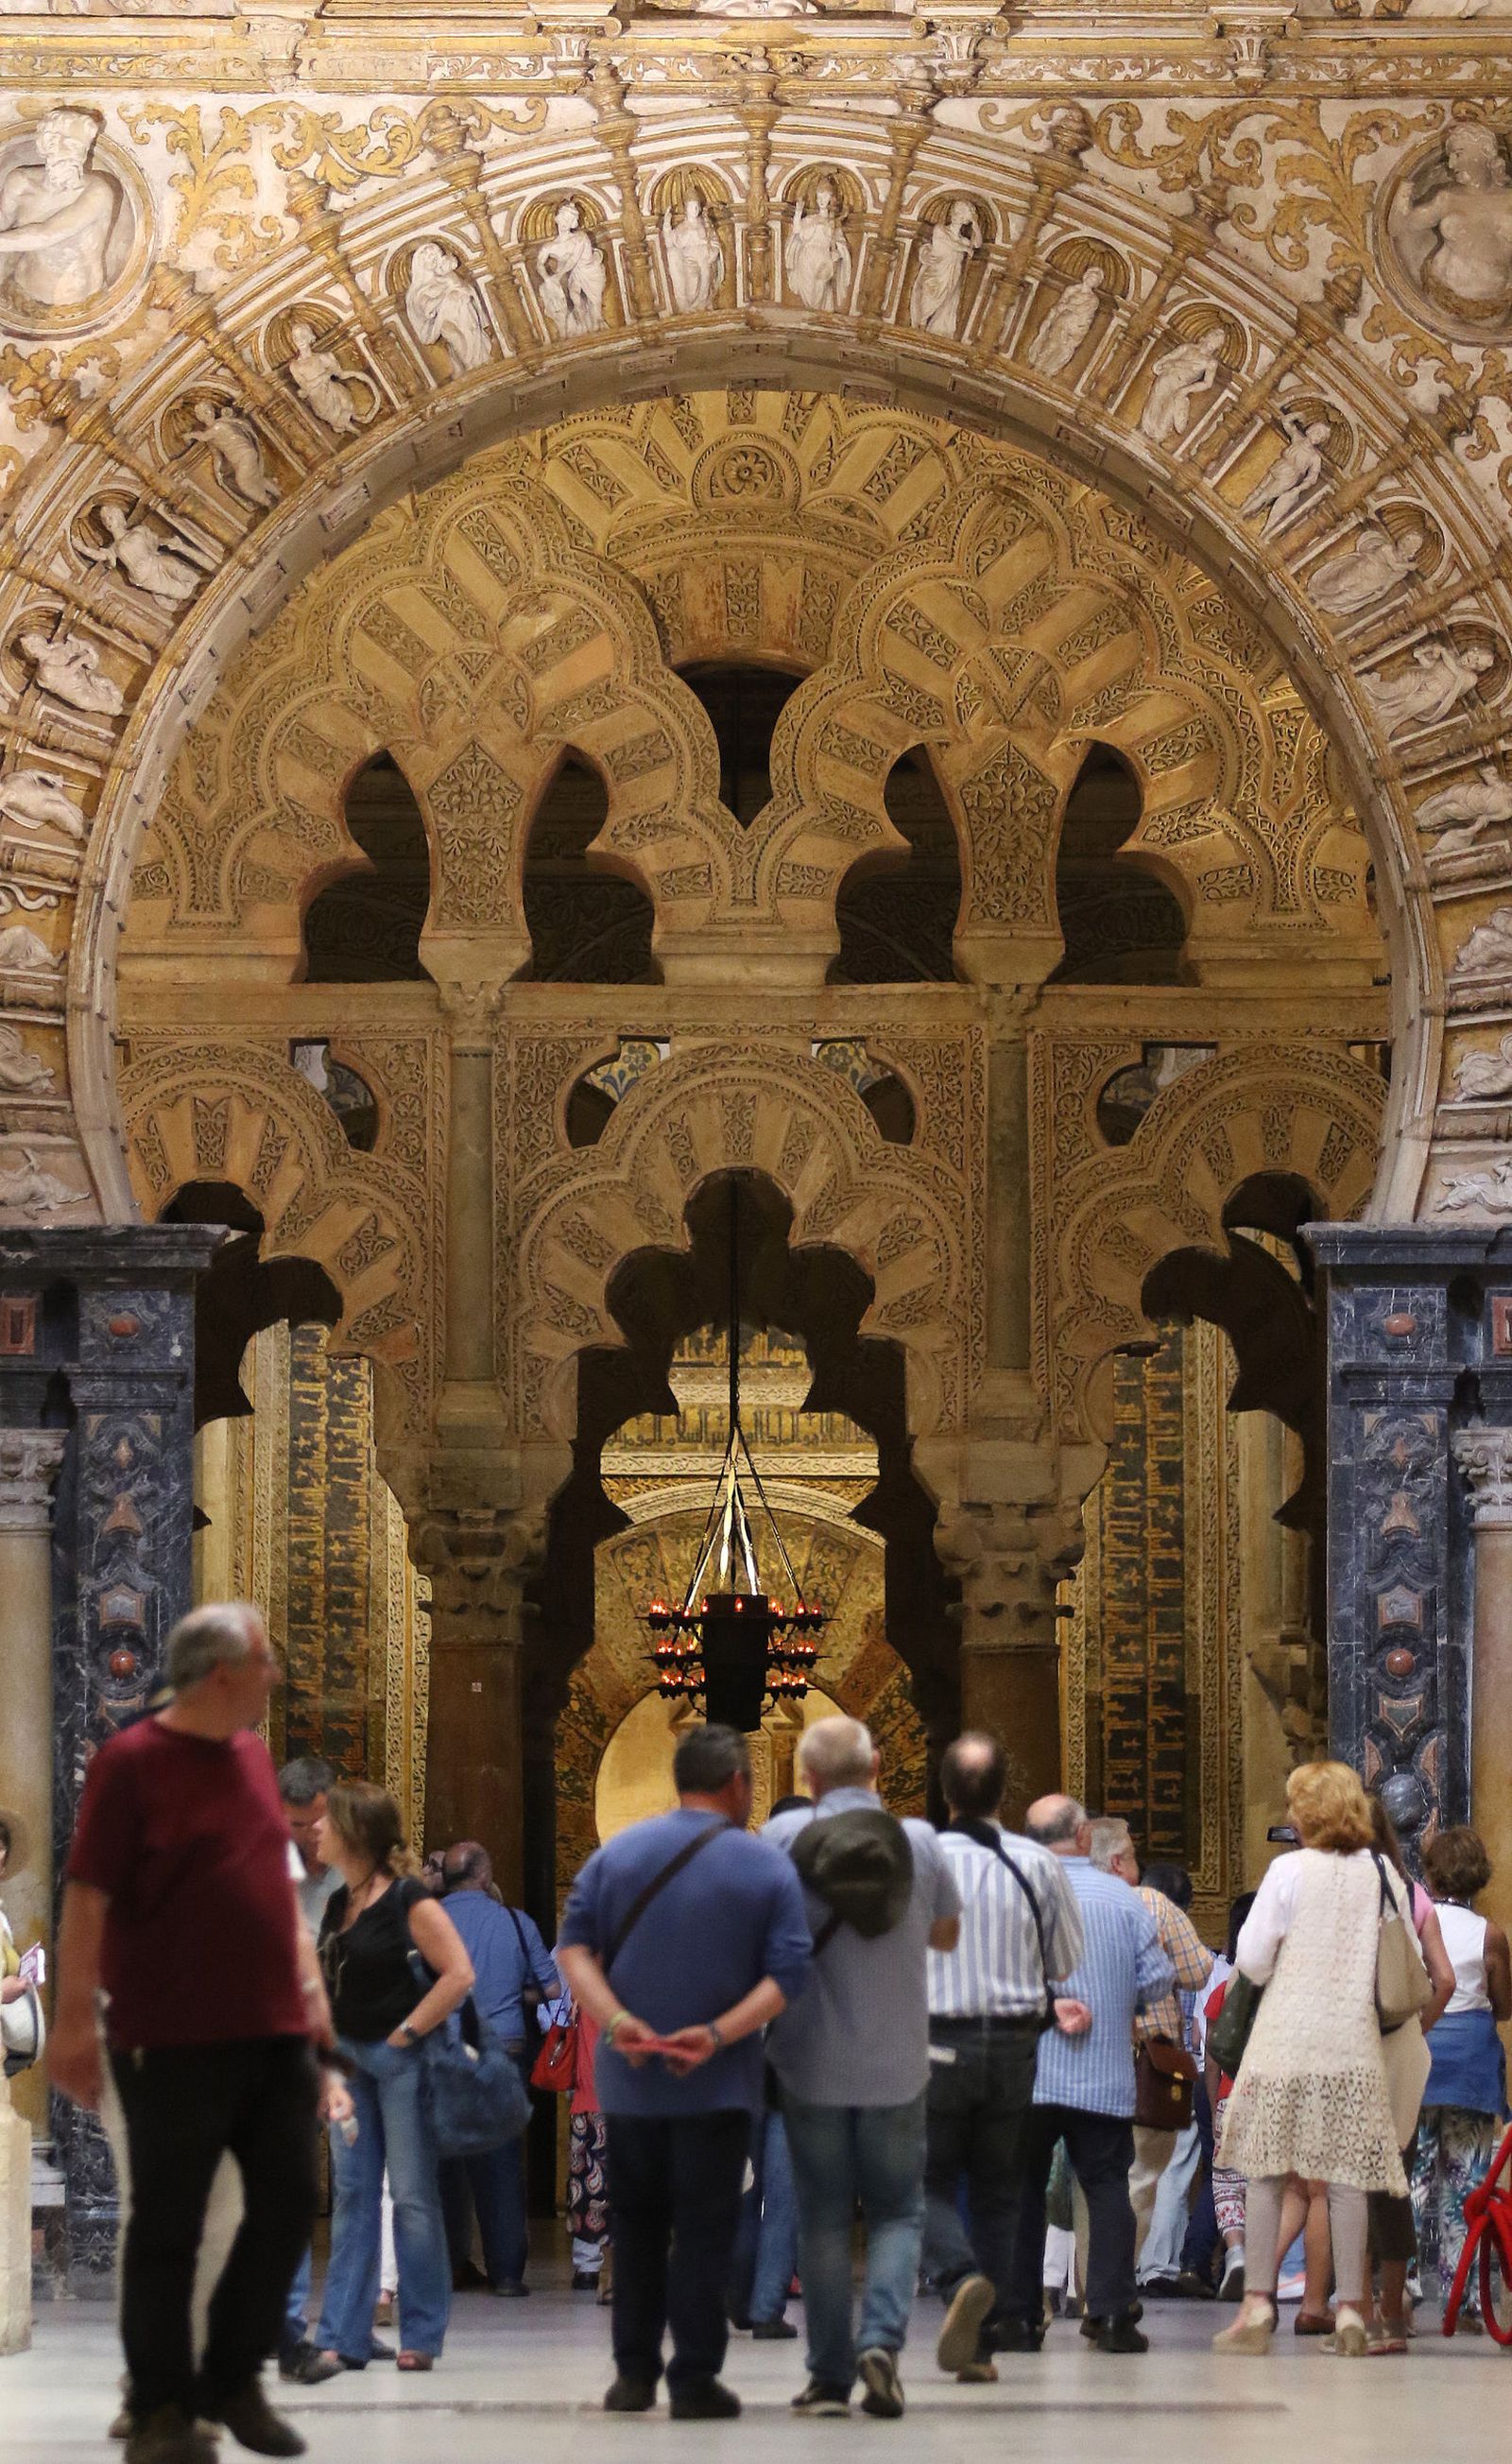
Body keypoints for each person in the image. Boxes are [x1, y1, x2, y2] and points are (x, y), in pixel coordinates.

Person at [51, 1603, 333, 2464]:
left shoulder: (250, 1755)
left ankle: (232, 2376)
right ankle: (165, 2409)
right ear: (221, 1673)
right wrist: (70, 2023)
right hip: (168, 2033)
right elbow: (88, 1896)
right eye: (265, 1663)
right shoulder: (131, 1763)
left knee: (288, 2200)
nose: (276, 1677)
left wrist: (311, 1990)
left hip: (272, 2027)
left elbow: (274, 1890)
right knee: (167, 2223)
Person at [558, 1722, 812, 2420]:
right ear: (738, 1783)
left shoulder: (618, 1855)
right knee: (706, 2227)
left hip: (631, 2082)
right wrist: (717, 2033)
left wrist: (616, 2021)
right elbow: (789, 1972)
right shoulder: (765, 1865)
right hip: (721, 2083)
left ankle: (633, 2374)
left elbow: (573, 1950)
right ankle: (695, 2377)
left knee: (636, 2227)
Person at [765, 1716, 962, 2420]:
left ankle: (825, 2376)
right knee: (897, 2209)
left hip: (808, 2059)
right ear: (878, 1763)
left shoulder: (781, 1840)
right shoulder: (920, 1840)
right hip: (898, 2059)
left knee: (820, 2218)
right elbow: (946, 1934)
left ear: (806, 1776)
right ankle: (880, 2339)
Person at [1212, 1761, 1418, 2359]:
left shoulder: (1287, 1871)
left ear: (1307, 1813)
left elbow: (1250, 1961)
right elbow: (1394, 1957)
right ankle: (1352, 2310)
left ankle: (1257, 2304)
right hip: (1352, 2043)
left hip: (1283, 2038)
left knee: (1268, 2171)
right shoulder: (1381, 1873)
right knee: (1348, 2177)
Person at [923, 1733, 1088, 2382]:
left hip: (937, 2041)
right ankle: (983, 2344)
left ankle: (960, 2277)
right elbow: (1066, 1960)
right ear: (1003, 1795)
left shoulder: (923, 1858)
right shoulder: (1037, 1863)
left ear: (945, 1793)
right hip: (1018, 2046)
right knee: (999, 2192)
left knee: (921, 2180)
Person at [312, 1781, 475, 2375]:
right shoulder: (338, 1904)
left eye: (327, 1822)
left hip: (403, 2062)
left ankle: (422, 2333)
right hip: (351, 2063)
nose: (317, 1831)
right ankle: (342, 2335)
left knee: (410, 2197)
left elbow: (458, 1975)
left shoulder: (410, 1899)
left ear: (355, 1832)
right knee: (353, 2196)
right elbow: (327, 1991)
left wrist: (406, 2033)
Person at [1002, 1795, 1175, 2354]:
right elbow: (1157, 1982)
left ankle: (1022, 2316)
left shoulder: (1017, 1893)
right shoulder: (1124, 1900)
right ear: (1083, 1837)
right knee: (1106, 2188)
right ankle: (1111, 2314)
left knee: (1023, 2191)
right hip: (1102, 2075)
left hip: (1030, 2074)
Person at [437, 1839, 560, 2296]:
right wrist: (513, 1994)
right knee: (502, 2164)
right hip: (503, 2049)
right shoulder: (514, 1920)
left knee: (445, 2164)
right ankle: (507, 2274)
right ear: (485, 1877)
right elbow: (551, 1991)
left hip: (443, 2051)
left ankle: (450, 2265)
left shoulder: (428, 1920)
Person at [1090, 1831, 1212, 2272]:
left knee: (1091, 2181)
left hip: (1083, 2061)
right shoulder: (1153, 1904)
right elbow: (1199, 1970)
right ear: (1119, 1862)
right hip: (1146, 2065)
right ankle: (1119, 2285)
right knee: (1140, 2179)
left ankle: (1084, 2289)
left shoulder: (1067, 1900)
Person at [1362, 1796, 1455, 2352]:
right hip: (1403, 2052)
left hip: (1362, 2048)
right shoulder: (1413, 1893)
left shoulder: (1346, 1890)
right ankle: (1392, 2310)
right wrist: (1414, 2030)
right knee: (1393, 2179)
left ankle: (1365, 2306)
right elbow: (1442, 1979)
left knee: (1354, 2185)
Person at [1412, 1825, 1512, 2331]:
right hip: (1472, 2061)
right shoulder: (1489, 1933)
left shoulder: (1415, 1923)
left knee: (1412, 2180)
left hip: (1422, 2054)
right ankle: (1465, 2299)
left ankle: (1401, 2293)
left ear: (1431, 1871)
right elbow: (1505, 2004)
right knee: (1466, 2185)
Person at [273, 1756, 347, 2386]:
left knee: (358, 2181)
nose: (307, 1835)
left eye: (317, 1821)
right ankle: (286, 2324)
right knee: (290, 2183)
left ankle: (346, 2325)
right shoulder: (265, 1868)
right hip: (285, 2039)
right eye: (296, 1823)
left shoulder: (355, 1868)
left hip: (351, 2039)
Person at [1194, 1892, 1257, 2300]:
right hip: (1274, 2095)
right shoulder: (1288, 1987)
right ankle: (1272, 2262)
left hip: (1231, 2097)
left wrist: (1218, 2102)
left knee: (1227, 2181)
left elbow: (1213, 2055)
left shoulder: (1228, 1990)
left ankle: (1236, 2253)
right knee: (1271, 2183)